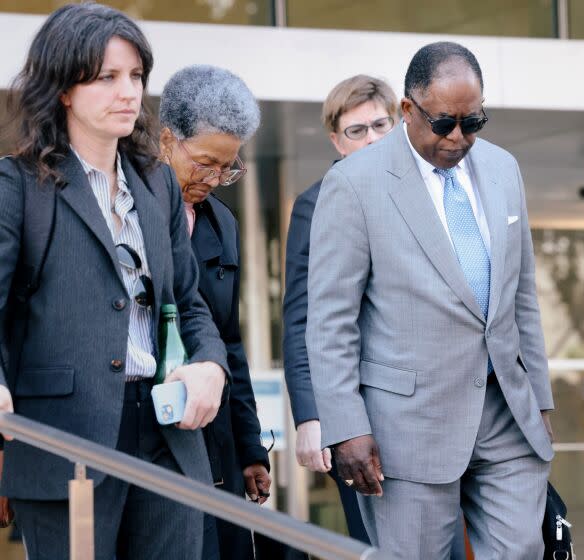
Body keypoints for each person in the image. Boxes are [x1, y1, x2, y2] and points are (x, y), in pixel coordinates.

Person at [306, 42, 555, 558]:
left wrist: (541, 398)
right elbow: (331, 321)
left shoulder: (504, 169)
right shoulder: (354, 183)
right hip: (407, 428)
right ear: (407, 110)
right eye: (444, 123)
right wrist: (346, 426)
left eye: (473, 122)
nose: (459, 138)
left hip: (506, 414)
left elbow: (521, 294)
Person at [0, 4, 230, 559]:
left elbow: (189, 302)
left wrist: (210, 365)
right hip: (65, 440)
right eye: (107, 77)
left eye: (135, 76)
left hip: (166, 434)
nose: (128, 92)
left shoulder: (158, 185)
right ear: (62, 89)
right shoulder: (17, 185)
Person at [158, 65, 270, 560]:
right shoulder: (123, 209)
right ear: (166, 141)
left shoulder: (221, 221)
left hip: (215, 435)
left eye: (227, 168)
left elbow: (230, 339)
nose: (214, 179)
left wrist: (249, 447)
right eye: (205, 163)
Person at [283, 74, 399, 545]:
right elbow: (300, 317)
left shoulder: (425, 191)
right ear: (336, 139)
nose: (371, 139)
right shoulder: (316, 204)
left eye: (380, 125)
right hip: (356, 413)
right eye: (357, 131)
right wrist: (311, 417)